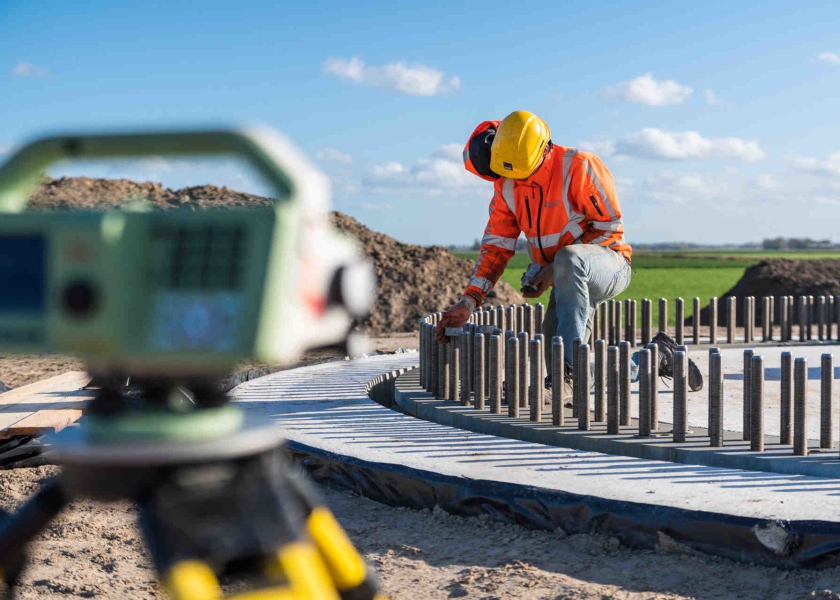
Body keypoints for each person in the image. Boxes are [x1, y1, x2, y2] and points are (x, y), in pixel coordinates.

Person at [435, 110, 632, 397]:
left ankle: (567, 375)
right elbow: (496, 248)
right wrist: (469, 301)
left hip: (610, 265)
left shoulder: (579, 167)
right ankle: (652, 362)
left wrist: (551, 269)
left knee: (569, 262)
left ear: (544, 150)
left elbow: (609, 229)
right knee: (559, 349)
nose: (518, 180)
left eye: (524, 174)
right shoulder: (507, 185)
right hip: (567, 277)